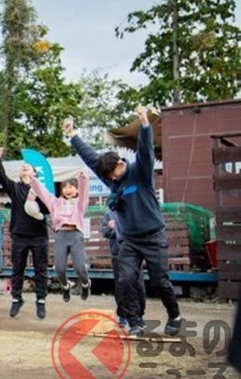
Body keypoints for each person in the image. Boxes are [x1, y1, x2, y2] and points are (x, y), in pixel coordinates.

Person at [64, 107, 183, 337]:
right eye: (107, 177)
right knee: (125, 280)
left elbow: (146, 151)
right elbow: (91, 158)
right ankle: (135, 321)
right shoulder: (112, 179)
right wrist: (72, 135)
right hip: (129, 240)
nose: (110, 180)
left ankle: (174, 315)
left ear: (120, 164)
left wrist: (145, 124)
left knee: (159, 281)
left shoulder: (140, 172)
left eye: (112, 175)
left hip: (153, 237)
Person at [0, 147, 50, 319]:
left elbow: (48, 209)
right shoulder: (15, 188)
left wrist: (37, 199)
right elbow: (1, 177)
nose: (25, 167)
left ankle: (41, 300)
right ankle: (16, 298)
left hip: (39, 236)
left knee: (41, 270)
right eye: (23, 166)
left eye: (28, 167)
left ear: (35, 173)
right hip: (19, 235)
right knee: (17, 269)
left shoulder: (41, 189)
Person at [29, 169, 90, 302]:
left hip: (75, 235)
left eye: (71, 187)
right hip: (61, 235)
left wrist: (82, 179)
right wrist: (33, 179)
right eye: (65, 187)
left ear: (77, 190)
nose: (68, 190)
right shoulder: (55, 203)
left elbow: (85, 192)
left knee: (80, 268)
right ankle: (65, 286)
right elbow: (43, 193)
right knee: (60, 269)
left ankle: (86, 284)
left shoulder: (80, 203)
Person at [101, 210, 146, 327]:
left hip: (135, 254)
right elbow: (105, 233)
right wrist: (110, 228)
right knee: (121, 285)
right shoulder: (110, 214)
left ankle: (139, 315)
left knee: (138, 285)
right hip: (118, 255)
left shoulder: (134, 210)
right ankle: (123, 315)